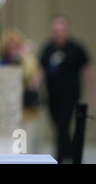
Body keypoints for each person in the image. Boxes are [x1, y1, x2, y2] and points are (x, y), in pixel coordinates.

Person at [36, 15, 95, 163]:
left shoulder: (76, 49)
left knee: (63, 124)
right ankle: (69, 152)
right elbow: (40, 71)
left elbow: (88, 71)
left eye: (61, 30)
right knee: (59, 126)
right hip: (52, 95)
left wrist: (92, 93)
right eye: (56, 30)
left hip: (70, 95)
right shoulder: (48, 49)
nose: (58, 33)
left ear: (67, 30)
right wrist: (32, 89)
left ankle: (60, 157)